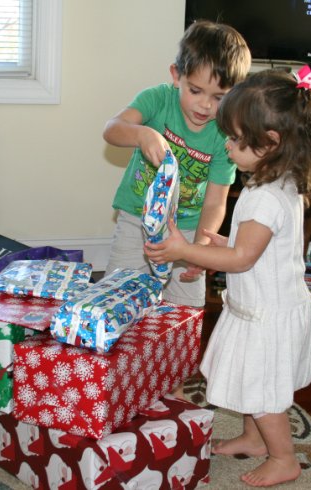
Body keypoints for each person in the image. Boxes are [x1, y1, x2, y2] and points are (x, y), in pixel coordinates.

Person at [145, 67, 311, 487]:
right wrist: (216, 243)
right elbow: (250, 248)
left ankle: (283, 456)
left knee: (263, 391)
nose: (228, 146)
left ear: (270, 143)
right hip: (268, 305)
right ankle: (255, 438)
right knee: (255, 382)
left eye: (235, 139)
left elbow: (242, 259)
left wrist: (184, 250)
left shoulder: (263, 198)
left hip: (265, 317)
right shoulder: (282, 182)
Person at [103, 20, 251, 308]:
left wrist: (199, 249)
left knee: (185, 311)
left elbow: (215, 203)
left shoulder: (226, 134)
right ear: (176, 75)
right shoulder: (158, 99)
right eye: (195, 90)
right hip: (136, 219)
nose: (205, 106)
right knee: (118, 298)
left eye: (219, 97)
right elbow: (111, 129)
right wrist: (141, 133)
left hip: (187, 230)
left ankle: (175, 353)